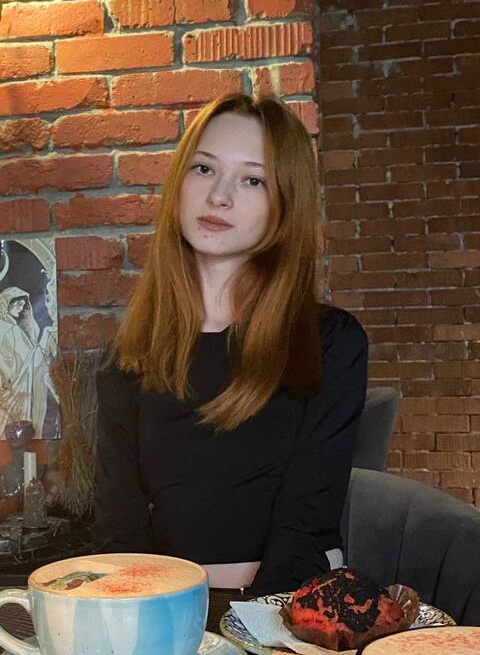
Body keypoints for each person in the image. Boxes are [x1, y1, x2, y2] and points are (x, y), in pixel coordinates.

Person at [93, 91, 368, 596]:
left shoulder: (330, 342)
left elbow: (307, 523)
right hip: (164, 618)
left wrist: (252, 622)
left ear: (285, 203)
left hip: (285, 614)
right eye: (204, 169)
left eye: (252, 179)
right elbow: (119, 532)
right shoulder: (127, 360)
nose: (219, 196)